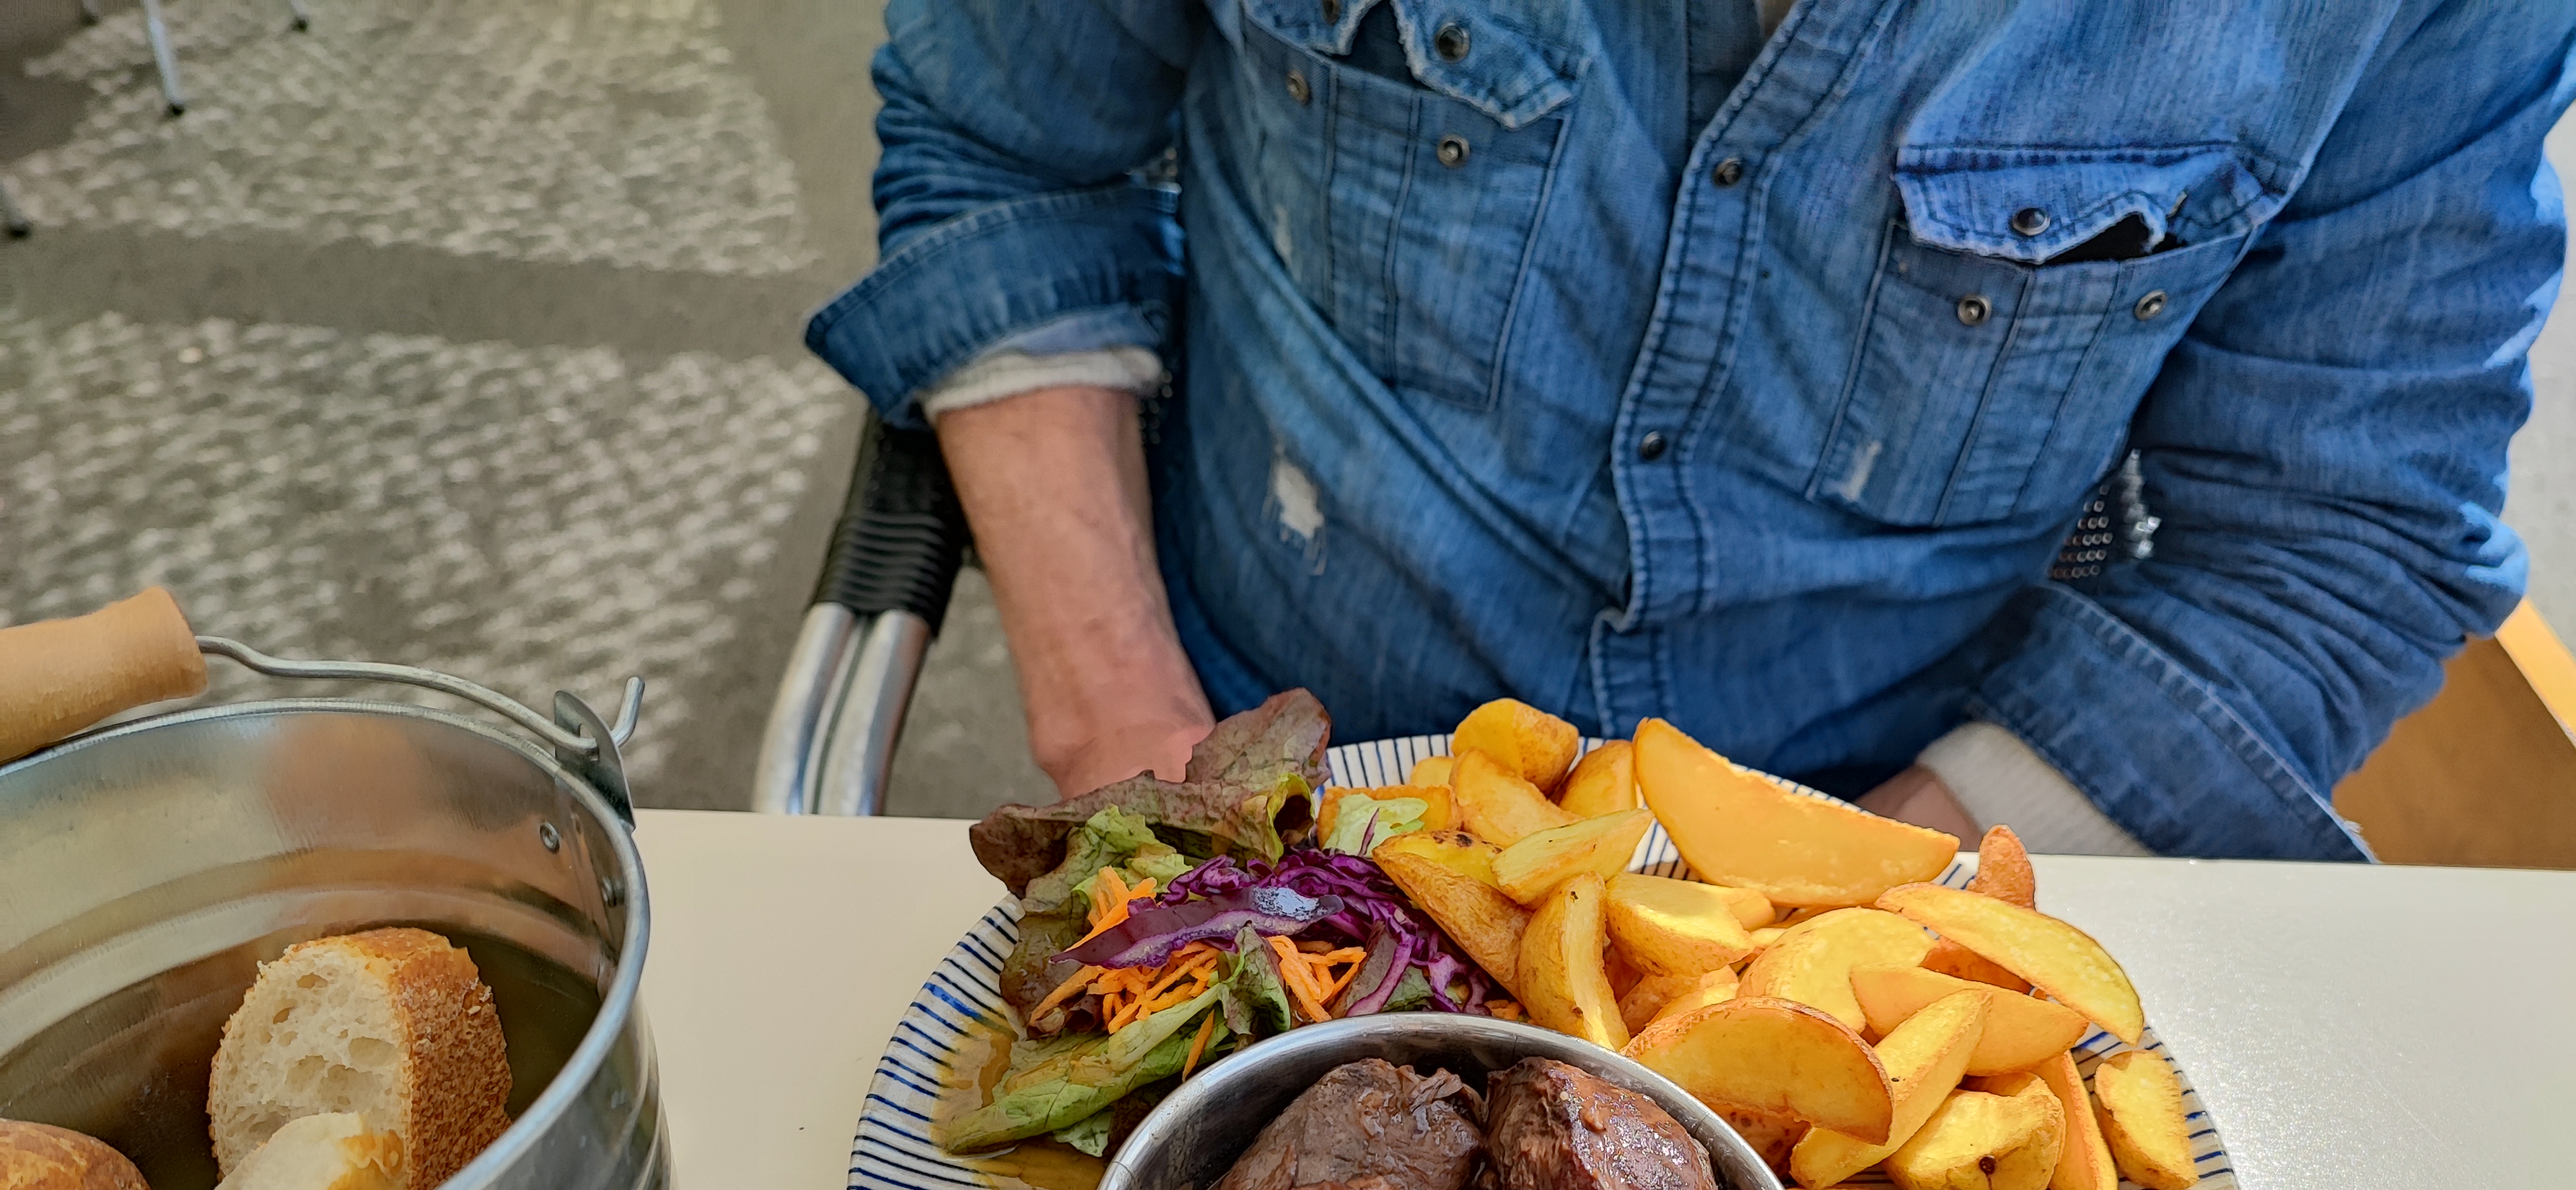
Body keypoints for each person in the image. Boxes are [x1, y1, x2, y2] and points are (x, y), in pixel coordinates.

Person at [808, 0, 2573, 856]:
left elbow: (2339, 537)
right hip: (1268, 763)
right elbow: (1010, 154)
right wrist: (1126, 734)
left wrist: (1835, 921)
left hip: (1875, 837)